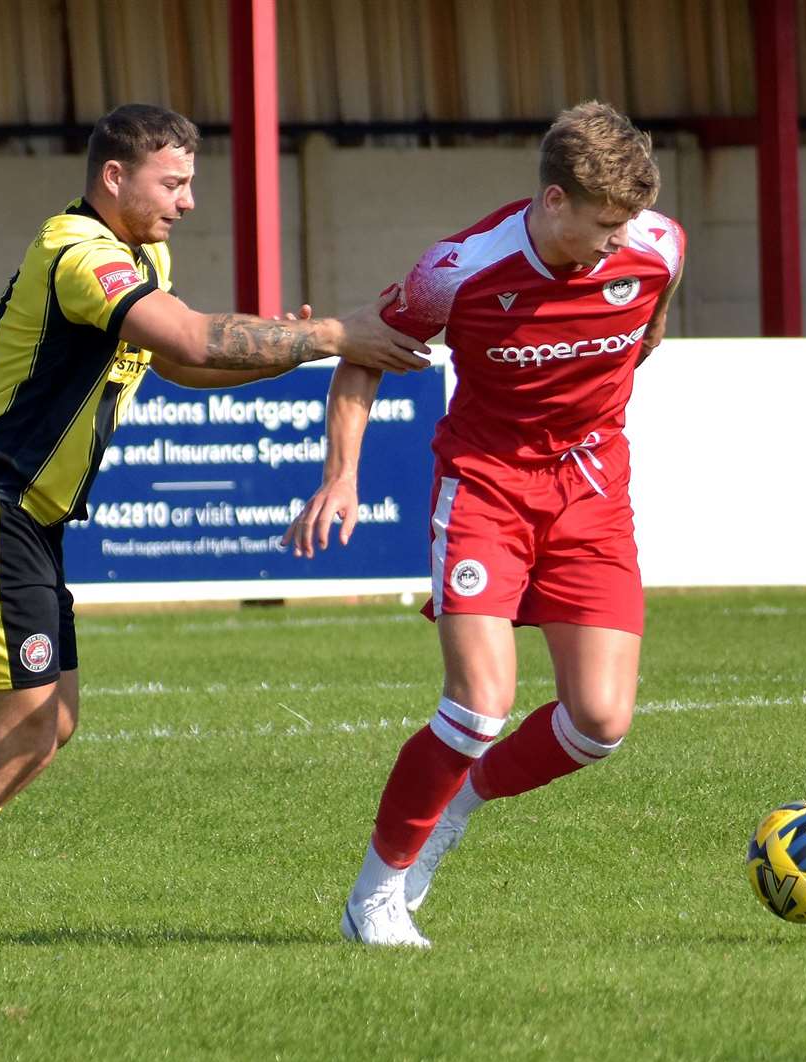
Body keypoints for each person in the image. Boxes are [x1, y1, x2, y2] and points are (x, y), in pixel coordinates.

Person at [0, 103, 428, 952]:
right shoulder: (77, 253)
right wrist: (328, 332)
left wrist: (302, 346)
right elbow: (190, 333)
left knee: (45, 720)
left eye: (192, 183)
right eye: (174, 182)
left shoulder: (142, 251)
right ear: (114, 176)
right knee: (24, 730)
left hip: (22, 518)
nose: (188, 201)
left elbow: (183, 363)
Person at [284, 101, 685, 947]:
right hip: (487, 491)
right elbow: (364, 350)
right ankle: (376, 895)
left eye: (629, 224)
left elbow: (650, 315)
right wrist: (342, 475)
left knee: (600, 724)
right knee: (478, 706)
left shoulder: (657, 246)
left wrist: (629, 352)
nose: (619, 241)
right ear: (552, 202)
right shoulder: (460, 270)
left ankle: (460, 799)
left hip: (591, 490)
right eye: (603, 224)